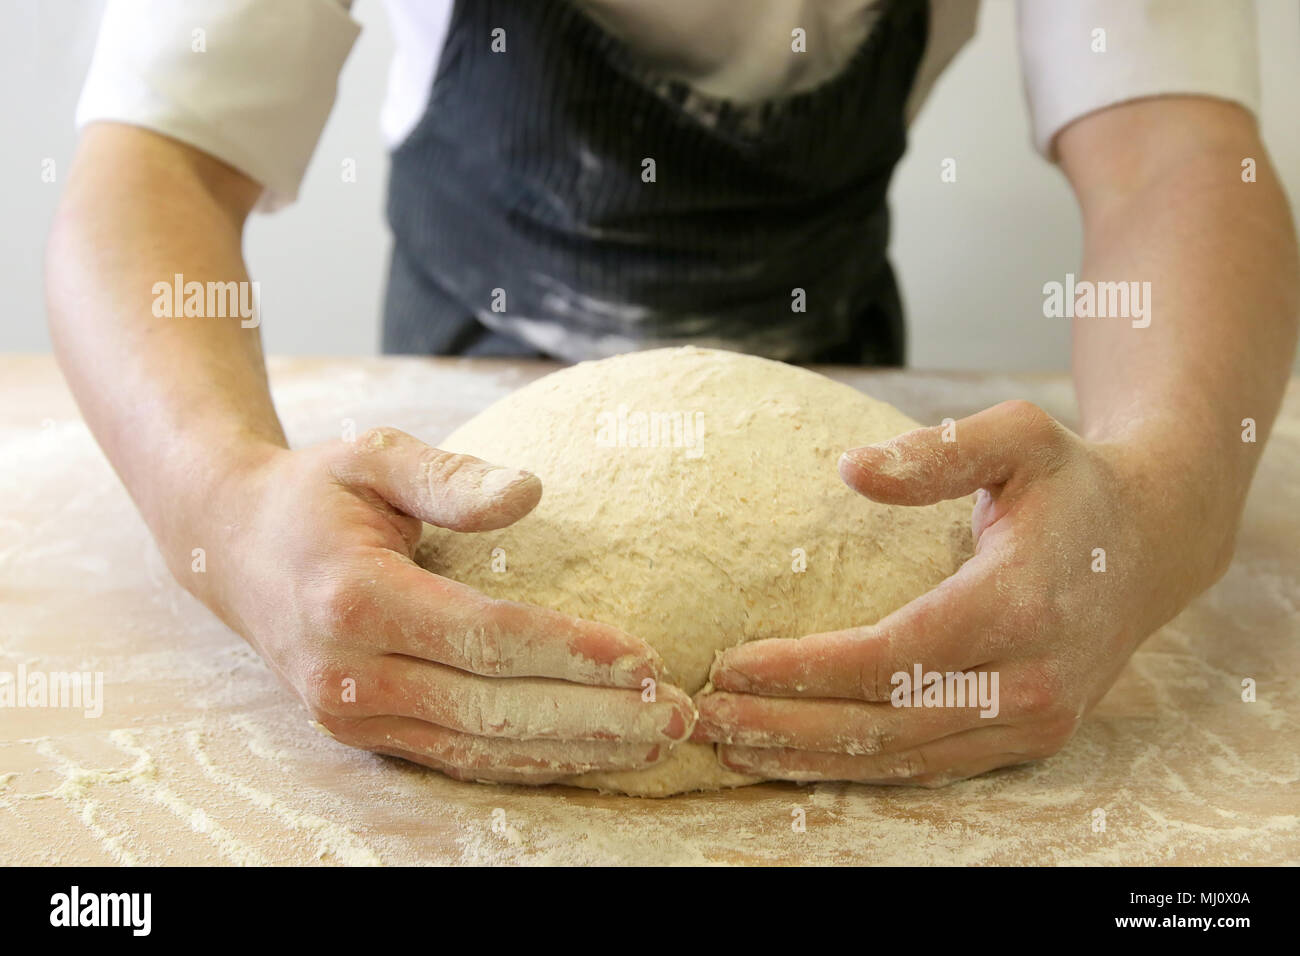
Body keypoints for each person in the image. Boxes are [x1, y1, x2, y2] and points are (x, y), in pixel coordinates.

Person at [46, 0, 1298, 786]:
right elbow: (152, 159)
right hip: (465, 426)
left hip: (843, 426)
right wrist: (226, 501)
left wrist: (1156, 504)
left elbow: (1173, 156)